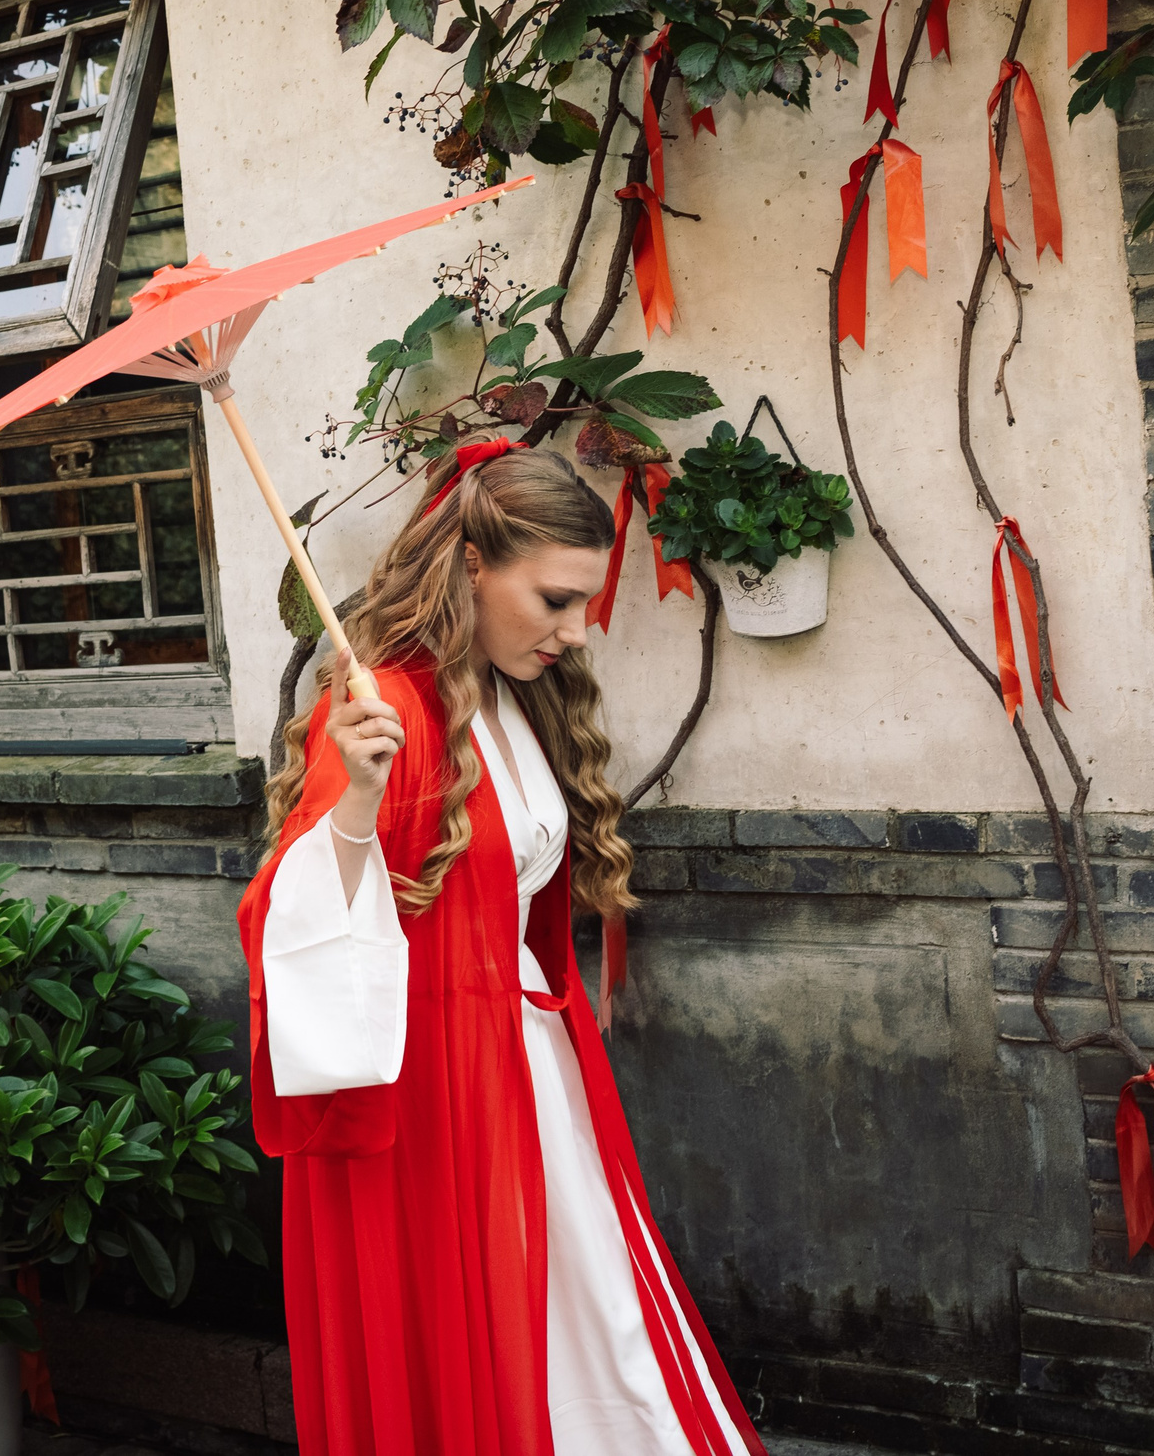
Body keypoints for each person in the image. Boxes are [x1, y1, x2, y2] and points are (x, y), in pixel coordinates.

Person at [237, 439, 764, 1456]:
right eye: (555, 599)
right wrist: (354, 803)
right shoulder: (386, 711)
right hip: (429, 1088)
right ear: (472, 564)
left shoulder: (510, 695)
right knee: (490, 1333)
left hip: (528, 1065)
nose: (574, 629)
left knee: (586, 1315)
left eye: (582, 603)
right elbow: (284, 920)